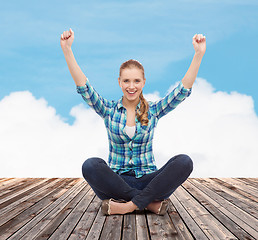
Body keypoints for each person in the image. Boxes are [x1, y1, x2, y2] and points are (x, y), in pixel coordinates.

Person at [60, 28, 206, 215]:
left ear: (143, 82)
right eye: (126, 81)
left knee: (184, 161)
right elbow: (84, 88)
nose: (131, 86)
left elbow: (182, 91)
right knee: (90, 165)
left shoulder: (153, 110)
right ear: (119, 82)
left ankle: (127, 206)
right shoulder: (108, 109)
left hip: (150, 182)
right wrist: (67, 50)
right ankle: (148, 204)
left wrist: (198, 54)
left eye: (136, 81)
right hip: (117, 183)